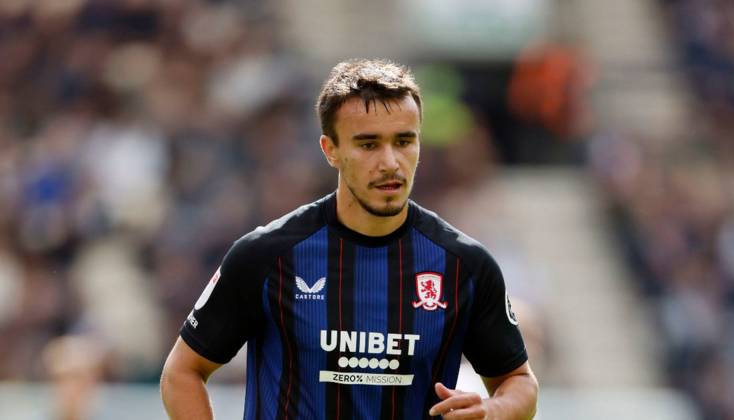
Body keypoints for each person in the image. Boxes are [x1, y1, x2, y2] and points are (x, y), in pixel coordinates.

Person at [160, 58, 539, 419]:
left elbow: (518, 382)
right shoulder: (266, 255)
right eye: (368, 144)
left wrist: (492, 411)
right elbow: (183, 372)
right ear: (331, 150)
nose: (390, 162)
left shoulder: (464, 265)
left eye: (404, 141)